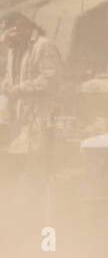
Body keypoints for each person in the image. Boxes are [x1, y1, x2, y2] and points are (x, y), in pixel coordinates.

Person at [0, 11, 63, 154]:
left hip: (39, 117)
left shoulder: (44, 46)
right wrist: (5, 85)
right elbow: (11, 76)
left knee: (33, 161)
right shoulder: (14, 49)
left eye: (10, 37)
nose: (8, 43)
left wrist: (18, 89)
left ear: (20, 28)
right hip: (18, 116)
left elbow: (50, 80)